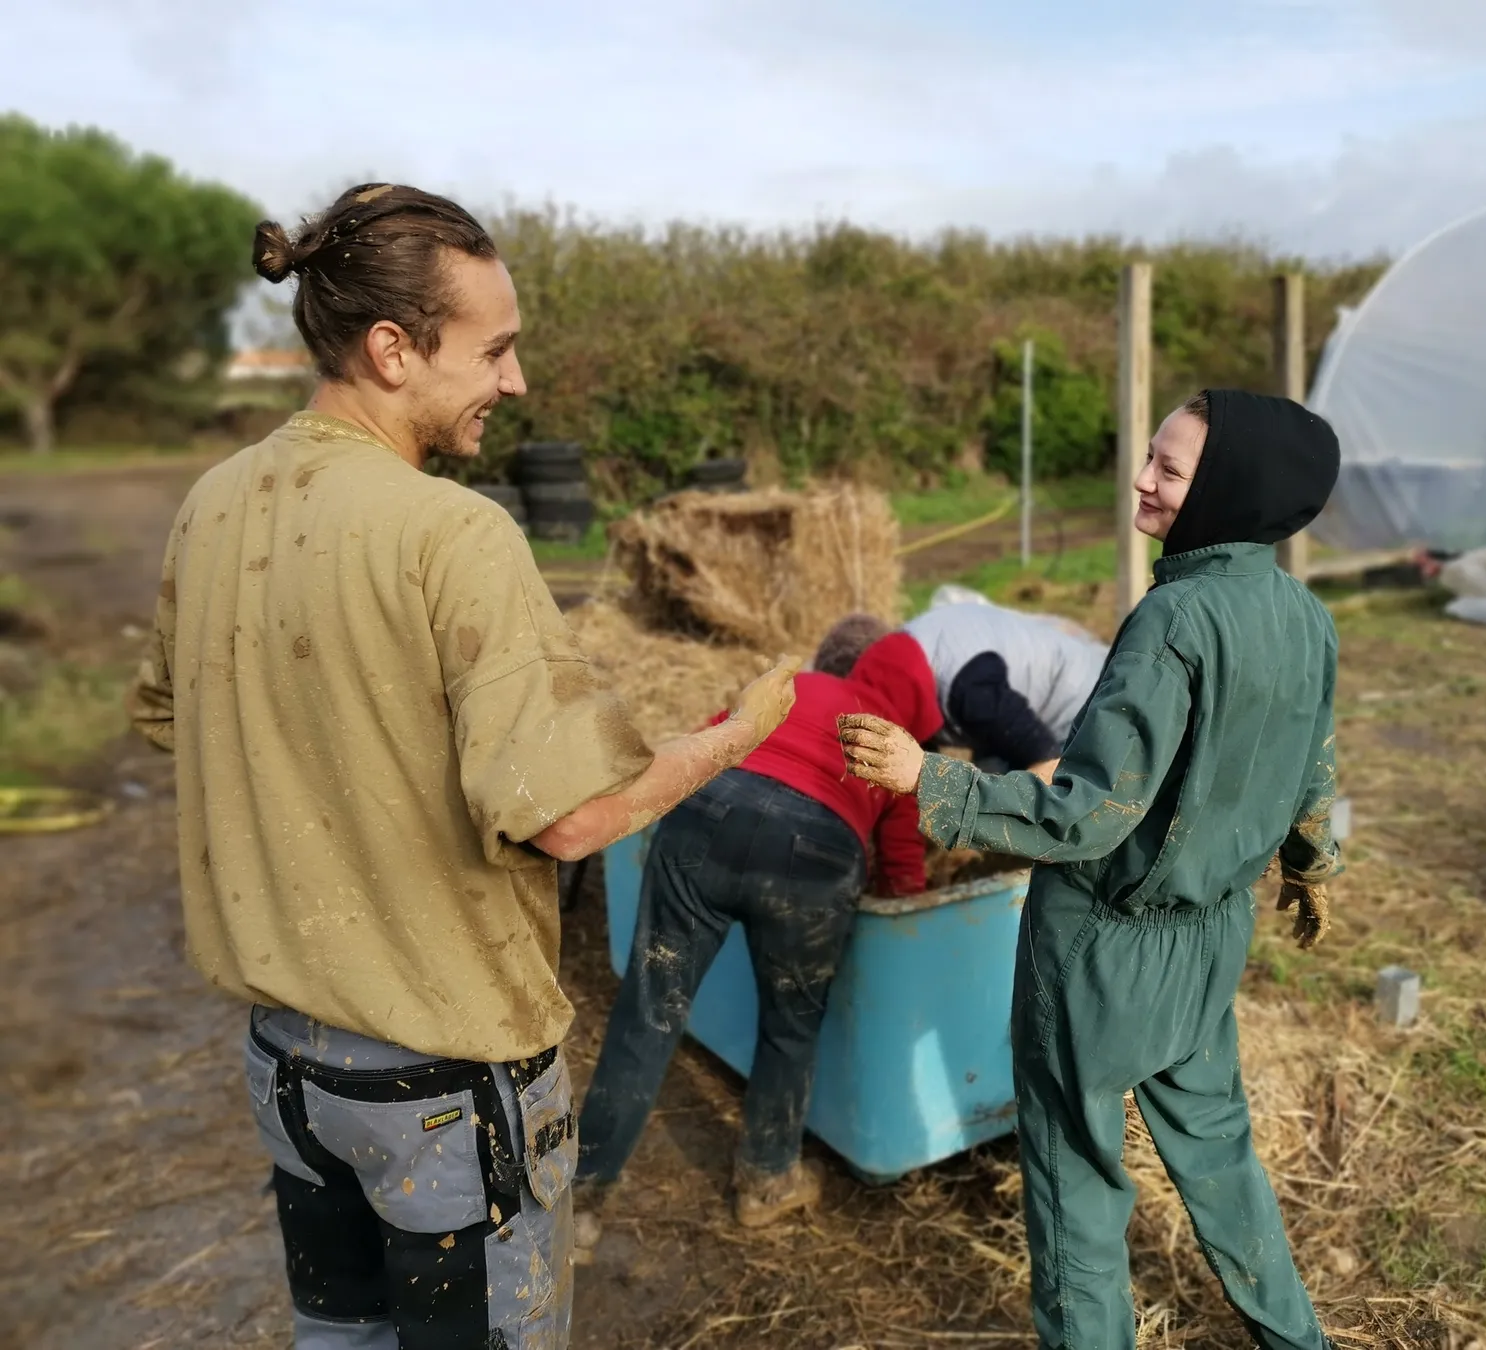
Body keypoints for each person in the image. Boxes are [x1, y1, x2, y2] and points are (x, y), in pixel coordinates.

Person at [127, 183, 798, 1350]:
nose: (517, 381)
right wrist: (735, 736)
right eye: (496, 349)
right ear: (393, 349)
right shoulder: (454, 533)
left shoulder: (212, 505)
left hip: (286, 1068)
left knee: (341, 1337)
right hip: (439, 1087)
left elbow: (177, 719)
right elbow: (574, 821)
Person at [840, 389, 1344, 1350]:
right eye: (1149, 457)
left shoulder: (1174, 620)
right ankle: (1297, 1340)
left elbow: (1087, 814)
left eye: (1171, 469)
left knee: (1076, 1183)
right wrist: (1310, 866)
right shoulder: (1306, 619)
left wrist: (931, 780)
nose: (1143, 480)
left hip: (1103, 953)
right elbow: (1313, 762)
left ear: (1228, 491)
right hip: (1209, 944)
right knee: (1223, 1157)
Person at [573, 631, 945, 1226]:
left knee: (649, 1010)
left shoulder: (800, 685)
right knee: (789, 1029)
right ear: (921, 702)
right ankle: (767, 1181)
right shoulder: (896, 739)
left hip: (707, 816)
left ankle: (583, 1200)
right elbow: (902, 865)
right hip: (814, 857)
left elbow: (707, 738)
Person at [901, 598, 1106, 779]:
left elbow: (1045, 759)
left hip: (1077, 705)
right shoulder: (909, 656)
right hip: (1015, 687)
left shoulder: (971, 691)